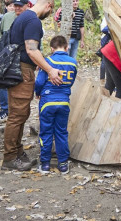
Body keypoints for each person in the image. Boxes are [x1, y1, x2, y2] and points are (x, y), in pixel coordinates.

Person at [2, 0, 62, 171]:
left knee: (21, 113)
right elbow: (31, 50)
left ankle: (17, 152)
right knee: (17, 114)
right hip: (21, 71)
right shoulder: (33, 20)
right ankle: (10, 157)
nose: (49, 14)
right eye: (50, 12)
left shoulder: (24, 17)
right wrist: (49, 69)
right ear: (49, 6)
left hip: (21, 69)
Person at [34, 35, 77, 174]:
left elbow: (39, 82)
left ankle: (45, 164)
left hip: (47, 101)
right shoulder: (73, 63)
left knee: (46, 132)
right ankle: (63, 164)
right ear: (67, 47)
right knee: (61, 132)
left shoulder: (47, 62)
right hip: (64, 101)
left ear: (52, 48)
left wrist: (38, 92)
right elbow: (71, 81)